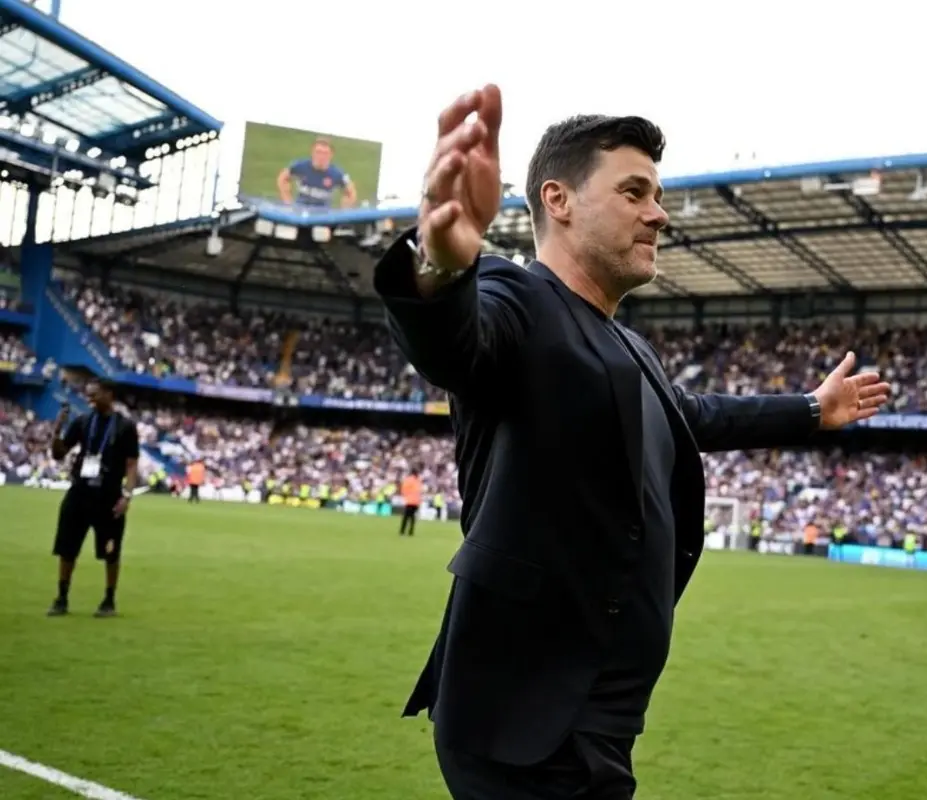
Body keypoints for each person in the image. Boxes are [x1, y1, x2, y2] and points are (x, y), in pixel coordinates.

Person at [375, 85, 891, 799]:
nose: (660, 213)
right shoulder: (518, 300)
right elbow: (454, 347)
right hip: (530, 721)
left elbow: (697, 416)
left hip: (592, 717)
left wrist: (810, 408)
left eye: (657, 194)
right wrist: (441, 262)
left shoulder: (627, 347)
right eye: (634, 192)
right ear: (558, 200)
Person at [46, 380, 139, 618]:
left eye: (95, 394)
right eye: (88, 395)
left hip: (109, 496)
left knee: (111, 551)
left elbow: (131, 465)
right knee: (67, 547)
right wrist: (57, 432)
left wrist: (127, 496)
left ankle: (109, 600)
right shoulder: (82, 422)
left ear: (109, 394)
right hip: (80, 491)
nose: (90, 399)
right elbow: (59, 454)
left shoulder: (125, 426)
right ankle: (62, 597)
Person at [276, 137, 358, 209]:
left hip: (322, 214)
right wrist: (287, 200)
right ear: (312, 152)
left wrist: (343, 210)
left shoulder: (337, 173)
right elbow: (282, 178)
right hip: (300, 210)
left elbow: (351, 191)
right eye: (318, 152)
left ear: (331, 155)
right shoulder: (300, 165)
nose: (321, 157)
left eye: (325, 153)